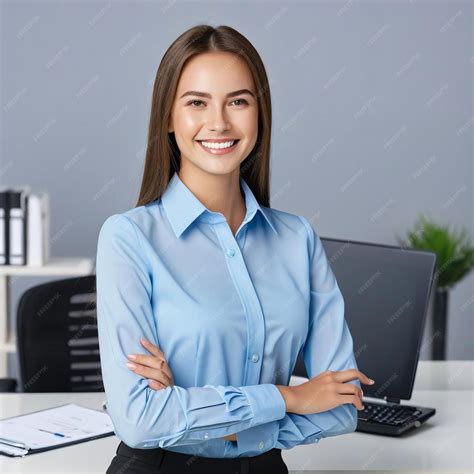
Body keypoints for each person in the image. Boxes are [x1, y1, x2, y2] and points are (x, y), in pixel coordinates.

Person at [96, 24, 374, 474]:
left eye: (238, 101)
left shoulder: (297, 239)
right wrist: (289, 398)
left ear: (259, 114)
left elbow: (341, 408)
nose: (220, 122)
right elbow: (141, 421)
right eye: (197, 103)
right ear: (168, 117)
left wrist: (191, 412)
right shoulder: (128, 238)